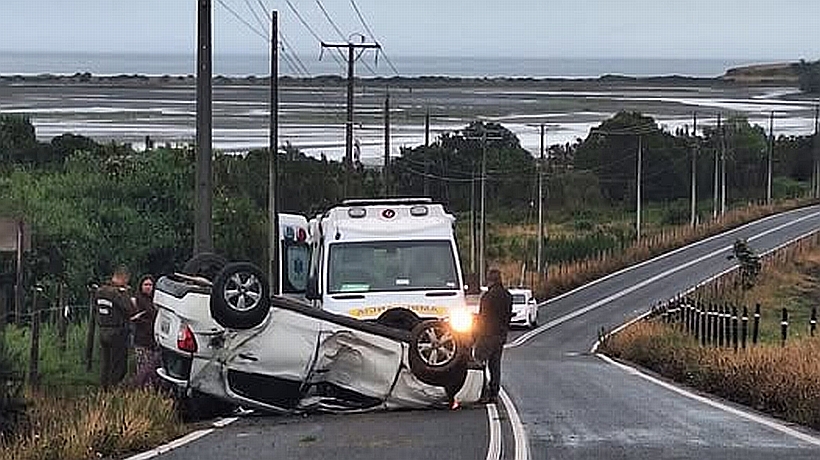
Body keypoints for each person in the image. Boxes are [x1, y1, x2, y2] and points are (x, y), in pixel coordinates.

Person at [477, 268, 513, 404]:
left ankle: (482, 393)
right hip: (500, 336)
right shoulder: (508, 296)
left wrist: (476, 334)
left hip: (486, 335)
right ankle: (494, 394)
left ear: (490, 281)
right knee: (495, 365)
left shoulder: (487, 297)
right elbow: (508, 316)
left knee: (479, 362)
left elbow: (483, 317)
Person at [96, 265, 134, 388]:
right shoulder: (117, 293)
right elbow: (129, 309)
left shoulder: (100, 291)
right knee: (118, 366)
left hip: (103, 330)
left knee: (105, 365)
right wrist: (126, 294)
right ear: (124, 278)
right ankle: (113, 392)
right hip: (117, 332)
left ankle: (103, 391)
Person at [131, 274, 160, 387]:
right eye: (146, 284)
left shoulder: (156, 300)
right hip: (141, 340)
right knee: (143, 368)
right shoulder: (137, 300)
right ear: (141, 286)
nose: (148, 287)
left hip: (154, 340)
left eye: (150, 285)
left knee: (153, 368)